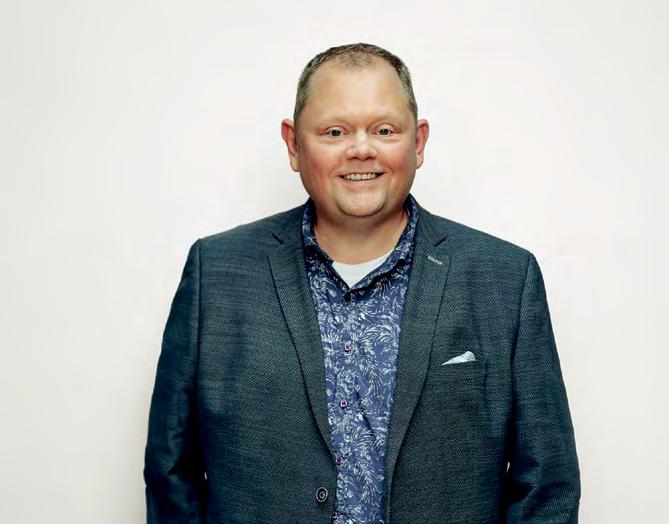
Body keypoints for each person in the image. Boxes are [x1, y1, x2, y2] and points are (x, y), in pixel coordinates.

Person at [144, 42, 580, 523]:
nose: (361, 149)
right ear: (293, 144)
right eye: (335, 131)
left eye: (384, 130)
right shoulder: (215, 272)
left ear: (418, 142)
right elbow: (171, 471)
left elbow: (547, 485)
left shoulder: (504, 279)